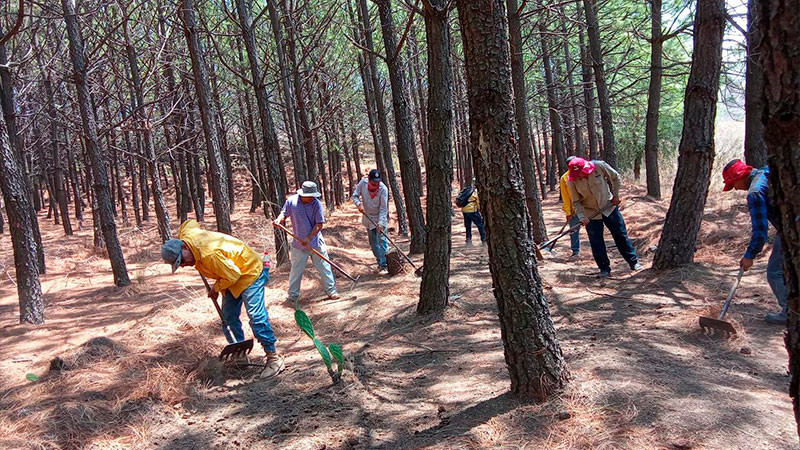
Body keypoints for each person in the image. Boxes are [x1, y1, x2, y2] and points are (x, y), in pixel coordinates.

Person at [161, 219, 284, 379]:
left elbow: (233, 274)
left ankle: (274, 358)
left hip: (250, 272)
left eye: (182, 261)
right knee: (228, 317)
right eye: (180, 264)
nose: (184, 265)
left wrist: (215, 289)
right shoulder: (187, 237)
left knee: (256, 316)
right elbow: (189, 223)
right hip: (230, 276)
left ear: (184, 247)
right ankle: (239, 355)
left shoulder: (209, 255)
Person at [722, 159, 787, 325]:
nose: (735, 188)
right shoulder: (766, 171)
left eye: (733, 183)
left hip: (791, 229)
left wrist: (749, 255)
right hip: (790, 225)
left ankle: (790, 313)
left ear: (740, 176)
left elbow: (760, 232)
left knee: (775, 273)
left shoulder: (755, 192)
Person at [567, 157, 643, 277]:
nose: (579, 176)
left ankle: (633, 262)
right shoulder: (571, 180)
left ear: (585, 169)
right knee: (596, 242)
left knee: (620, 235)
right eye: (576, 174)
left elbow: (615, 177)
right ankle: (604, 269)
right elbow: (576, 202)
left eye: (580, 173)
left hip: (609, 207)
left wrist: (616, 196)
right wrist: (582, 217)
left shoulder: (599, 166)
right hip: (591, 213)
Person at [274, 181, 339, 303]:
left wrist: (309, 238)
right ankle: (293, 296)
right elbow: (284, 213)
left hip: (316, 243)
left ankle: (332, 291)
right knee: (296, 270)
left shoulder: (316, 204)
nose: (312, 198)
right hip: (298, 245)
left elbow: (319, 224)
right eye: (310, 196)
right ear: (303, 194)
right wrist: (279, 219)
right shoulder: (292, 201)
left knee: (324, 267)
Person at [352, 169, 390, 273]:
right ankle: (379, 262)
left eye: (377, 182)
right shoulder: (362, 184)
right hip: (368, 217)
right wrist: (359, 204)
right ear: (369, 180)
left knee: (383, 241)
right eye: (373, 182)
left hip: (379, 217)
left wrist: (381, 223)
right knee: (373, 243)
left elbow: (383, 208)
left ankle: (385, 264)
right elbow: (354, 195)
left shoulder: (383, 189)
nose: (375, 184)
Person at [560, 156, 581, 257]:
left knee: (593, 229)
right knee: (573, 230)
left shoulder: (584, 173)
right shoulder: (564, 178)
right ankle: (575, 251)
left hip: (588, 207)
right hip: (574, 210)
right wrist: (568, 212)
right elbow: (565, 197)